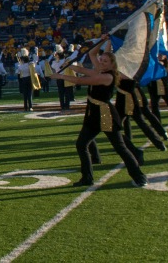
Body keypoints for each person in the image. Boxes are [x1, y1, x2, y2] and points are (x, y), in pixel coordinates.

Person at [46, 38, 147, 188]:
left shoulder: (107, 76)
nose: (101, 61)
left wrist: (60, 76)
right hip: (93, 113)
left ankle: (139, 176)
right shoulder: (99, 70)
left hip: (105, 114)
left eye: (105, 61)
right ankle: (87, 177)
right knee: (81, 145)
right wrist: (103, 40)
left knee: (120, 147)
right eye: (101, 59)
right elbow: (86, 62)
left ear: (112, 64)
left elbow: (82, 81)